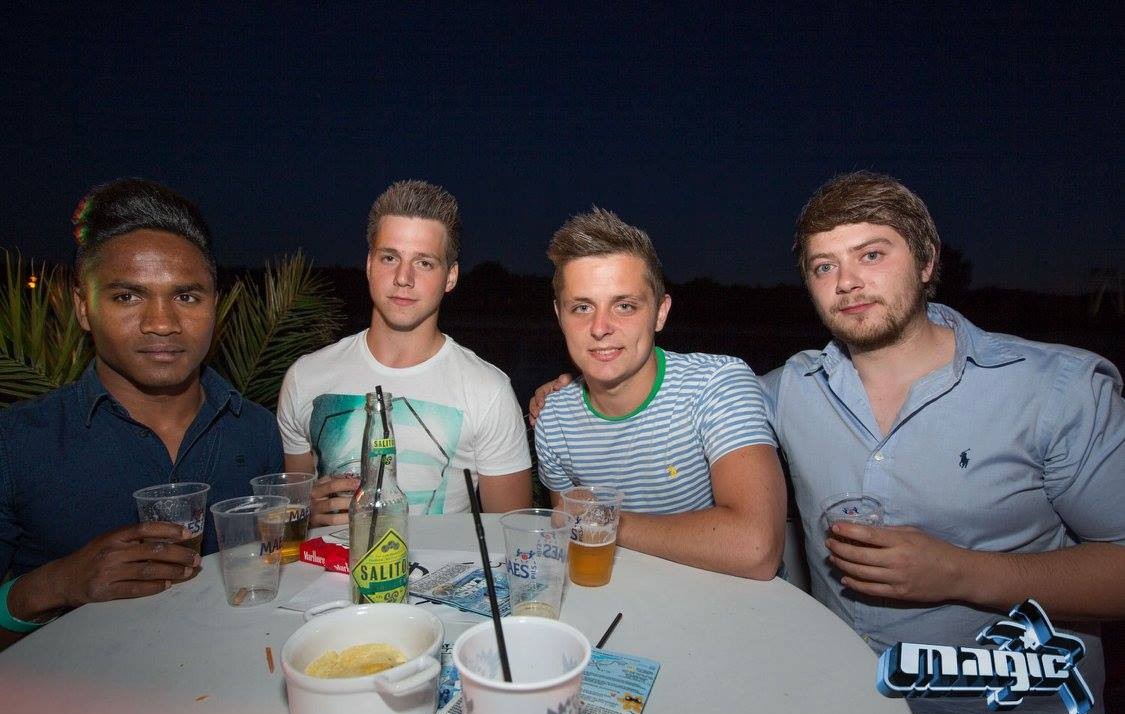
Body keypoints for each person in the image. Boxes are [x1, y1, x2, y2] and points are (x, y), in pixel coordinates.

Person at [765, 171, 1125, 714]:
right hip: (841, 713)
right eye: (824, 266)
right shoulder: (791, 389)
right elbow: (682, 407)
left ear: (927, 261)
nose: (847, 282)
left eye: (872, 254)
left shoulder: (1058, 392)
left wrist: (959, 573)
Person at [0, 179, 282, 644]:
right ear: (83, 308)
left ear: (214, 305)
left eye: (186, 297)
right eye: (127, 297)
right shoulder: (17, 444)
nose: (161, 323)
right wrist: (54, 585)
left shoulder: (256, 431)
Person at [533, 207, 785, 579]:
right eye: (582, 307)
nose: (600, 327)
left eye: (624, 306)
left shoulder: (716, 386)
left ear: (660, 313)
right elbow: (572, 543)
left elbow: (756, 548)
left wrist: (606, 520)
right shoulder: (553, 418)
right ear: (559, 316)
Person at [277, 180, 531, 524]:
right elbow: (291, 515)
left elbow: (512, 535)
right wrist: (303, 515)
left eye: (424, 263)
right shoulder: (305, 378)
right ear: (369, 264)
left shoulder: (488, 391)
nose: (403, 277)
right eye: (389, 257)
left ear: (451, 276)